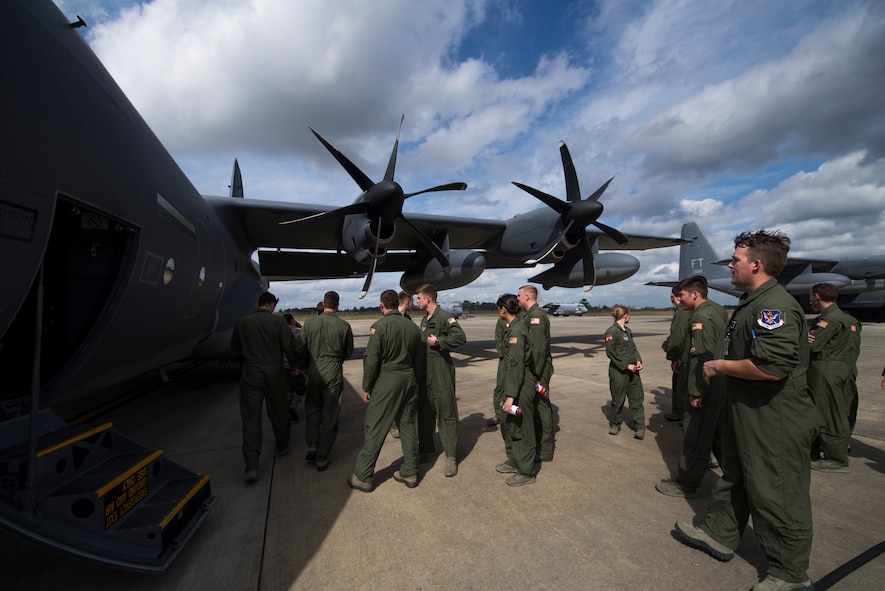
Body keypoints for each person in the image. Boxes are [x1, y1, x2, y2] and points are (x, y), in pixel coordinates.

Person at [675, 229, 817, 591]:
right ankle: (720, 534)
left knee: (776, 490)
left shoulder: (775, 307)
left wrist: (718, 366)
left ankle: (790, 573)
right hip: (747, 411)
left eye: (735, 260)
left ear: (756, 264)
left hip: (774, 417)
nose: (730, 265)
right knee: (734, 474)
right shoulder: (750, 302)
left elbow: (772, 367)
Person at [656, 276, 727, 499]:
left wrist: (696, 390)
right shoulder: (719, 310)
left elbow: (699, 357)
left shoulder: (700, 316)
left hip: (702, 380)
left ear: (695, 294)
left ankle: (686, 482)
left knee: (694, 432)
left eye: (682, 295)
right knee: (716, 431)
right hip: (719, 379)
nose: (679, 299)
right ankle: (732, 475)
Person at [348, 289, 422, 492]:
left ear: (382, 305)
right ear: (398, 303)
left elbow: (372, 360)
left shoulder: (379, 327)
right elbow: (419, 359)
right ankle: (410, 471)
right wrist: (416, 381)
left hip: (388, 379)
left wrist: (367, 386)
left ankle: (363, 475)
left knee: (376, 425)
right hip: (409, 379)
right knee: (408, 424)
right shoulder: (412, 328)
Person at [230, 291, 298, 483]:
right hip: (274, 372)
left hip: (251, 372)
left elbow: (234, 348)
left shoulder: (242, 322)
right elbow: (289, 347)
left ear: (258, 303)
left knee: (251, 418)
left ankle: (252, 466)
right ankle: (282, 445)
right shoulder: (277, 322)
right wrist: (296, 366)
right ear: (271, 305)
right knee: (278, 411)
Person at [296, 291, 354, 472]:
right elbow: (349, 351)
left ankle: (312, 444)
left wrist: (305, 366)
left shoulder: (310, 324)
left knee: (313, 408)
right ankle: (322, 457)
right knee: (330, 414)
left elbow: (301, 348)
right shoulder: (343, 326)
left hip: (314, 371)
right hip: (333, 372)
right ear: (338, 305)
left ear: (323, 303)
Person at [417, 284, 467, 477]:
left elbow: (460, 338)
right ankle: (427, 451)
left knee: (447, 413)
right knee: (426, 413)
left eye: (419, 298)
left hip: (441, 371)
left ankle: (451, 457)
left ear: (428, 299)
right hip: (426, 372)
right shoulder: (424, 319)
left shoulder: (445, 317)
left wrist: (439, 342)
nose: (417, 301)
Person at [807, 283, 854, 473]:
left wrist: (803, 337)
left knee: (827, 414)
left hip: (825, 370)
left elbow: (813, 345)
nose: (810, 300)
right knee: (836, 411)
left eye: (811, 297)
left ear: (817, 296)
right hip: (841, 369)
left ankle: (837, 459)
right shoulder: (848, 319)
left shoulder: (828, 320)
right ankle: (826, 452)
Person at [493, 294, 537, 486]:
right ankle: (515, 460)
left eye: (498, 308)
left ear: (503, 309)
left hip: (518, 384)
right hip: (512, 381)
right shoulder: (515, 326)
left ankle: (526, 473)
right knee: (511, 425)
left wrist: (511, 396)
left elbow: (516, 365)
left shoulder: (517, 331)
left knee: (522, 429)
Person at [518, 285, 555, 462]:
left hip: (538, 370)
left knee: (542, 406)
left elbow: (538, 350)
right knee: (535, 407)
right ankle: (539, 444)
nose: (517, 298)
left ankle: (546, 450)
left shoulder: (536, 317)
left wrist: (535, 374)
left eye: (519, 296)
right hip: (534, 369)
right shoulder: (528, 315)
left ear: (527, 297)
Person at [604, 305, 645, 439]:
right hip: (619, 372)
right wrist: (626, 366)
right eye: (629, 315)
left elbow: (633, 348)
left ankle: (640, 427)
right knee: (618, 400)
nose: (630, 317)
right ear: (625, 315)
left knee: (637, 399)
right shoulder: (611, 332)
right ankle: (616, 424)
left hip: (633, 371)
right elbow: (611, 353)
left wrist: (638, 360)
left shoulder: (628, 331)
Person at [662, 287, 691, 422]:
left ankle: (681, 414)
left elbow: (678, 336)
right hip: (687, 354)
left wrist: (673, 356)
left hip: (682, 355)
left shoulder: (681, 311)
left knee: (680, 386)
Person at [282, 313, 306, 423]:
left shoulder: (278, 333)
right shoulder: (297, 332)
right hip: (295, 366)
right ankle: (292, 405)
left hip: (282, 366)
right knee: (299, 388)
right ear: (291, 320)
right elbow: (302, 349)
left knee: (286, 389)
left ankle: (285, 412)